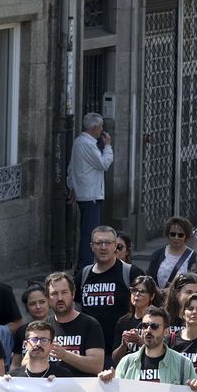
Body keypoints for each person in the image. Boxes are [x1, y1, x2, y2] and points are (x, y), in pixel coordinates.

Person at [79, 225, 147, 362]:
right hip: (89, 352)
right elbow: (77, 310)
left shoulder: (131, 273)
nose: (103, 247)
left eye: (108, 243)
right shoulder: (83, 274)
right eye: (99, 243)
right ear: (92, 246)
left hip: (123, 352)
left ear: (115, 246)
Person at [67, 112, 113, 270]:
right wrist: (107, 146)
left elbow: (71, 168)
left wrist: (72, 186)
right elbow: (103, 164)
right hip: (90, 194)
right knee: (90, 233)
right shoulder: (86, 143)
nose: (102, 131)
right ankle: (85, 266)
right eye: (100, 127)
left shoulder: (82, 142)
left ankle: (85, 265)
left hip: (87, 193)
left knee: (90, 230)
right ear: (94, 128)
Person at [44, 271, 106, 376]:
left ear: (73, 294)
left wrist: (65, 355)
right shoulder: (44, 326)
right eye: (54, 293)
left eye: (64, 292)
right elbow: (26, 362)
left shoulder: (90, 324)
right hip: (50, 389)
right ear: (47, 298)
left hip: (82, 390)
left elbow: (97, 366)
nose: (60, 298)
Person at [147, 216, 197, 288]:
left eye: (180, 235)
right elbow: (150, 279)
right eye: (172, 234)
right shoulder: (157, 254)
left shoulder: (193, 257)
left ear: (186, 236)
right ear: (168, 235)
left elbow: (193, 281)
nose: (176, 238)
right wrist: (158, 291)